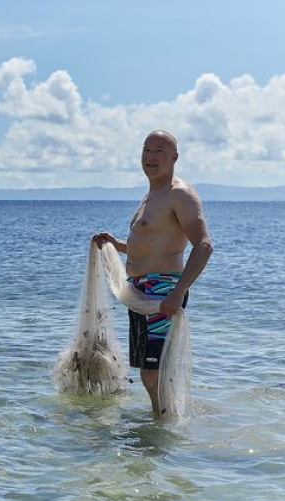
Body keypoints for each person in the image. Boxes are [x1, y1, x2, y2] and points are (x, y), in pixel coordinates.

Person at [93, 130, 213, 418]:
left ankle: (164, 428)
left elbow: (204, 246)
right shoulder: (152, 194)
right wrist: (116, 245)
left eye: (159, 150)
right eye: (147, 150)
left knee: (153, 369)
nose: (151, 157)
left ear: (174, 158)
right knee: (148, 371)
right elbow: (149, 246)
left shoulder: (179, 194)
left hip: (161, 292)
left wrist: (178, 291)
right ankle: (162, 423)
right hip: (139, 293)